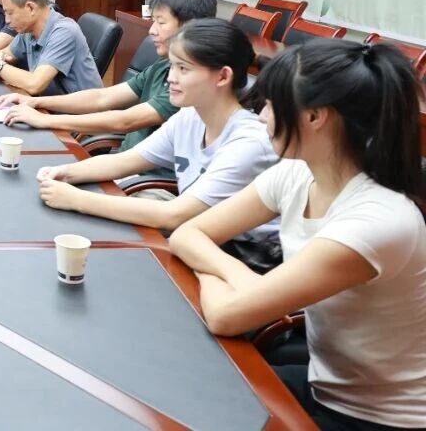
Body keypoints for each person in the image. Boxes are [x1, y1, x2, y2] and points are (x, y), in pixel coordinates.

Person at [170, 39, 426, 429]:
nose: (261, 117)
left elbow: (224, 316)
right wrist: (239, 275)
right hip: (324, 383)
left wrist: (208, 268)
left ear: (315, 116)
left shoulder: (377, 221)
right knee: (185, 384)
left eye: (271, 104)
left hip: (375, 419)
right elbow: (187, 233)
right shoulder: (297, 173)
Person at [36, 20, 280, 271]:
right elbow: (124, 161)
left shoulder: (249, 142)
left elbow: (174, 215)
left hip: (244, 260)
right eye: (172, 66)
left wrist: (76, 199)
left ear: (223, 76)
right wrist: (65, 172)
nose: (171, 78)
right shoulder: (190, 117)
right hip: (199, 242)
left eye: (183, 69)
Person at [0, 0, 218, 173]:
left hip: (144, 180)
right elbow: (102, 98)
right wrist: (36, 102)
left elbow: (125, 121)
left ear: (190, 28)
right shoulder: (161, 67)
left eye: (160, 22)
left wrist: (46, 120)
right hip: (123, 165)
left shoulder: (188, 85)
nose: (151, 30)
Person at [0, 0, 102, 96]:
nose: (7, 20)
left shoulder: (64, 31)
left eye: (10, 13)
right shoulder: (28, 29)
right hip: (48, 104)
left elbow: (35, 84)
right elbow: (5, 55)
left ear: (31, 8)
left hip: (79, 107)